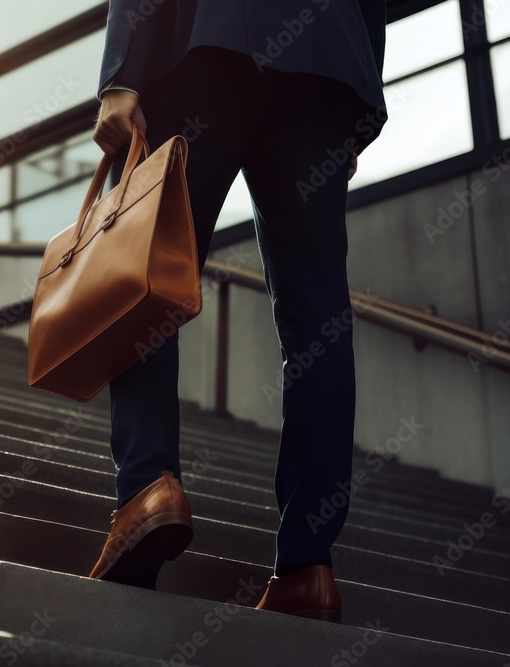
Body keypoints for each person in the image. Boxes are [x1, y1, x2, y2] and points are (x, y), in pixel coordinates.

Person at [86, 0, 388, 623]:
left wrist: (122, 73)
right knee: (318, 322)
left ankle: (146, 489)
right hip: (324, 72)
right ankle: (309, 565)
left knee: (145, 273)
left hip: (206, 45)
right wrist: (357, 103)